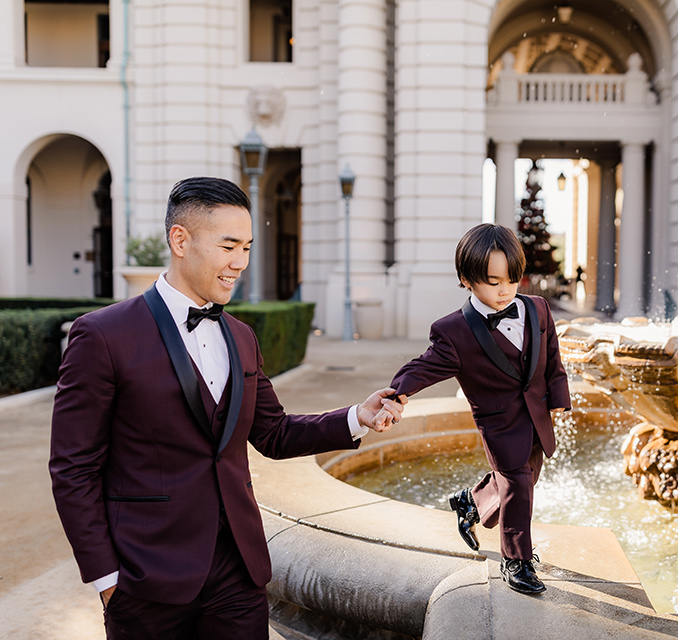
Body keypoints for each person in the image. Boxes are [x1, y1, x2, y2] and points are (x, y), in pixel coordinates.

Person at [49, 176, 405, 639]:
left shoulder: (241, 336)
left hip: (238, 574)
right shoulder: (102, 335)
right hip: (146, 579)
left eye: (248, 248)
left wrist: (356, 416)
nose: (240, 264)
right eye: (229, 246)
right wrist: (107, 579)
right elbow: (73, 468)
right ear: (181, 240)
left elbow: (274, 433)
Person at [379, 223, 571, 595]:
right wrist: (397, 394)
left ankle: (470, 499)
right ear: (467, 279)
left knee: (527, 478)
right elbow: (425, 366)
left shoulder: (538, 309)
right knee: (516, 483)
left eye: (512, 280)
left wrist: (559, 397)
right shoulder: (454, 331)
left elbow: (551, 357)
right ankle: (516, 560)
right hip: (498, 423)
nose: (504, 291)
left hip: (537, 415)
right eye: (493, 281)